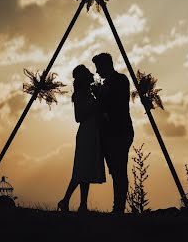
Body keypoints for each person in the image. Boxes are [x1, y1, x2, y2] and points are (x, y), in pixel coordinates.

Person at [57, 65, 106, 212]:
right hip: (86, 133)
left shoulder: (89, 93)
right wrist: (95, 105)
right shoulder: (80, 95)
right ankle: (66, 201)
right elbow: (78, 117)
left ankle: (81, 204)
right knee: (81, 170)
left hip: (92, 133)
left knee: (86, 170)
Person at [92, 53, 134, 213]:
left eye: (98, 68)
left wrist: (101, 94)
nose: (97, 72)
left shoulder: (120, 80)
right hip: (110, 133)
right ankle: (118, 207)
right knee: (115, 170)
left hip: (120, 131)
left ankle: (119, 208)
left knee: (119, 170)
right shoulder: (109, 83)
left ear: (106, 65)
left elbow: (115, 102)